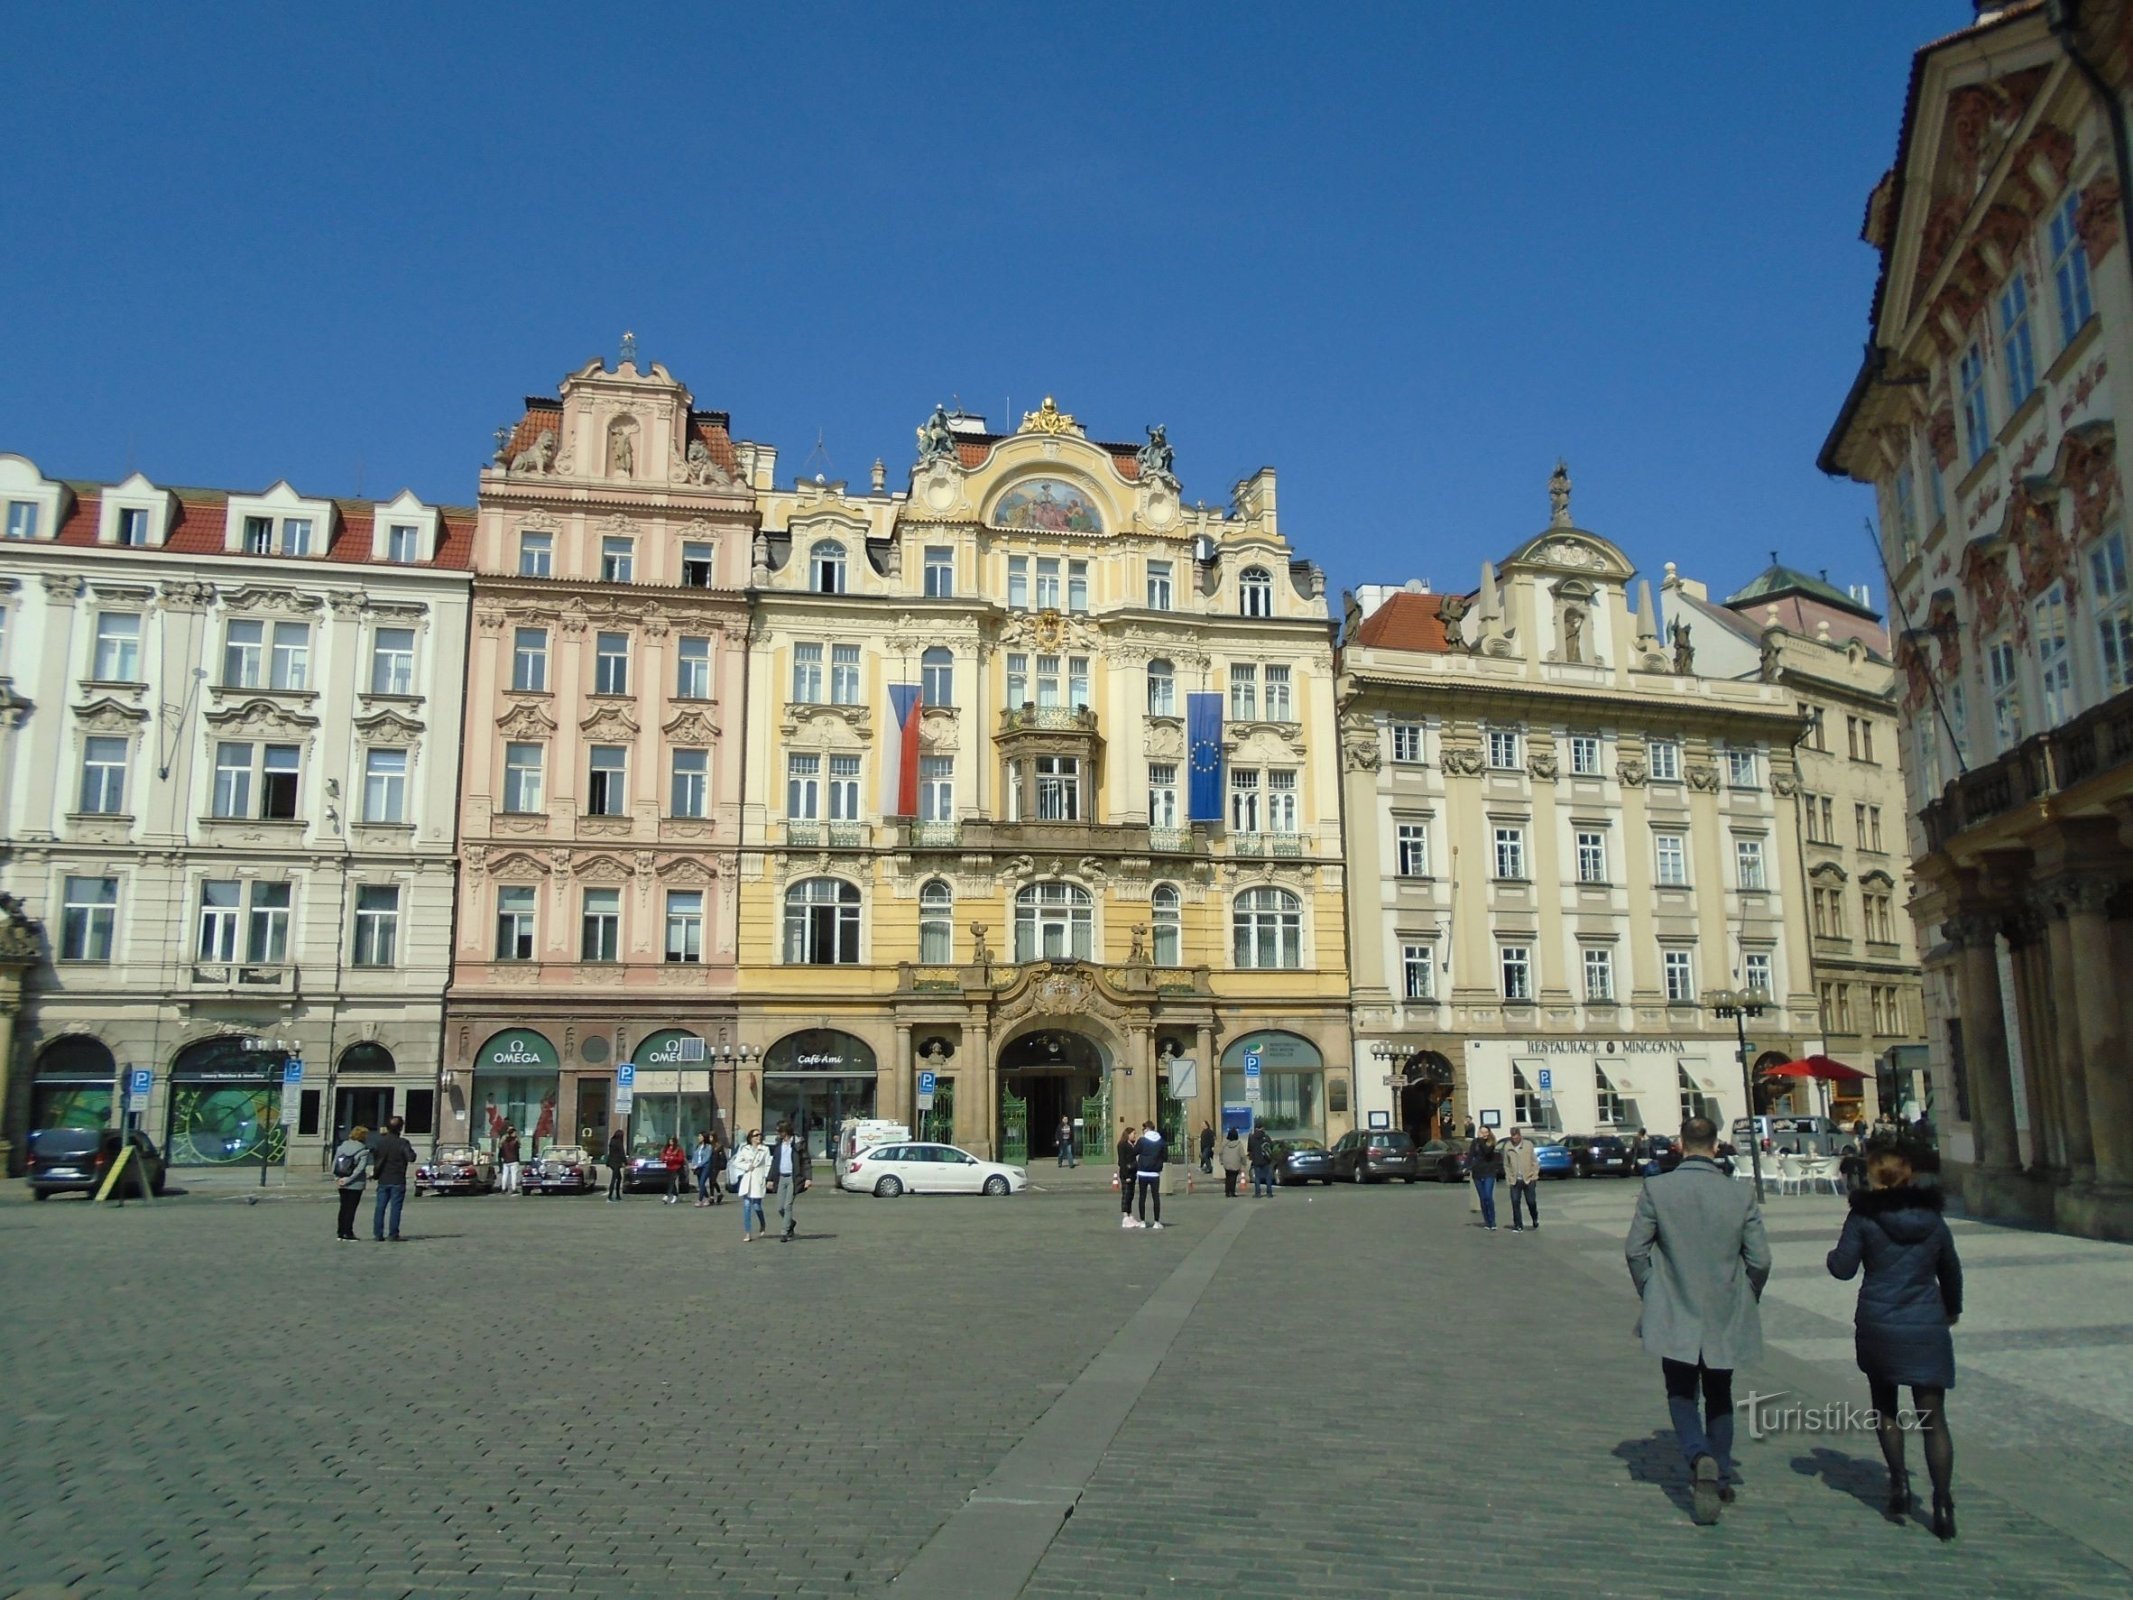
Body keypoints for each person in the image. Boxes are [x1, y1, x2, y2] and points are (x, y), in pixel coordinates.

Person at [1624, 1115, 1771, 1525]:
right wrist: (1745, 1295)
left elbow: (1635, 1250)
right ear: (1716, 1146)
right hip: (1723, 1306)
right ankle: (1721, 1471)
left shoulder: (1658, 1188)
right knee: (1721, 1392)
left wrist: (1653, 1291)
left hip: (1675, 1305)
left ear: (1680, 1144)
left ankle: (1697, 1452)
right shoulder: (1740, 1194)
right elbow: (1760, 1259)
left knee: (1681, 1391)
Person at [1826, 1135, 1963, 1541]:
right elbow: (1951, 1270)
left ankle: (1898, 1482)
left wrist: (1832, 1257)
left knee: (1885, 1407)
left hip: (1880, 1322)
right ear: (1908, 1177)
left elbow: (1843, 1269)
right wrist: (1951, 1309)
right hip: (1925, 1323)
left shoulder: (1863, 1219)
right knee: (1933, 1417)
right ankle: (1941, 1500)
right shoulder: (1933, 1220)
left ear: (1875, 1178)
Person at [369, 1116, 417, 1243]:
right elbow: (411, 1157)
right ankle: (393, 1234)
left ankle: (378, 1234)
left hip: (383, 1178)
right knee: (395, 1208)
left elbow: (375, 1155)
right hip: (397, 1178)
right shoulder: (402, 1142)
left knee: (380, 1207)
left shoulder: (380, 1142)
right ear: (400, 1128)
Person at [331, 1124, 372, 1242]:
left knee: (343, 1207)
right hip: (355, 1184)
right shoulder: (363, 1150)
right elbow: (360, 1169)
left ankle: (340, 1232)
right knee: (351, 1209)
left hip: (341, 1182)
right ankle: (348, 1232)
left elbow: (335, 1164)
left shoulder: (341, 1147)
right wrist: (349, 1180)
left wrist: (337, 1178)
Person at [772, 1121, 810, 1241]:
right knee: (780, 1207)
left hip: (794, 1178)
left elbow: (805, 1161)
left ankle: (784, 1232)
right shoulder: (779, 1144)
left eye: (779, 1131)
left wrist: (808, 1178)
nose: (777, 1133)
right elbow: (775, 1162)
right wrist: (770, 1179)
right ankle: (790, 1223)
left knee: (788, 1205)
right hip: (781, 1177)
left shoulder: (797, 1143)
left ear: (785, 1131)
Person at [731, 1129, 771, 1241]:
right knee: (747, 1206)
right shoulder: (745, 1149)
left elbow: (768, 1164)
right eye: (756, 1135)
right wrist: (746, 1166)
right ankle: (748, 1232)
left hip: (759, 1179)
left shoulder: (765, 1149)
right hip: (748, 1179)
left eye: (760, 1135)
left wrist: (767, 1178)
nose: (758, 1137)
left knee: (757, 1206)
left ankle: (762, 1223)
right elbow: (736, 1162)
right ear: (751, 1138)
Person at [1504, 1124, 1540, 1232]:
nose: (1514, 1138)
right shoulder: (1508, 1146)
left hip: (1528, 1178)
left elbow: (1534, 1161)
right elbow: (1506, 1164)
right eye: (1512, 1136)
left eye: (1516, 1136)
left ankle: (1535, 1218)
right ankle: (1518, 1225)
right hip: (1515, 1179)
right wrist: (1508, 1178)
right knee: (1515, 1202)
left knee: (1531, 1202)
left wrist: (1534, 1174)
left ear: (1520, 1136)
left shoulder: (1528, 1145)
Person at [1132, 1119, 1167, 1229]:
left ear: (1147, 1129)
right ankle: (1156, 1222)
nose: (1142, 1131)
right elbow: (1165, 1157)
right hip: (1155, 1173)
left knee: (1142, 1197)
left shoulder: (1142, 1140)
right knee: (1155, 1197)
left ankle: (1142, 1221)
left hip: (1142, 1171)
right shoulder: (1161, 1141)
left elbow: (1134, 1152)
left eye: (1143, 1129)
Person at [1467, 1128, 1504, 1231]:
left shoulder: (1490, 1142)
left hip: (1489, 1172)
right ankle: (1487, 1221)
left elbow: (1487, 1152)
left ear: (1489, 1133)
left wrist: (1481, 1140)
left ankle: (1492, 1221)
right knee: (1482, 1198)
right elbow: (1470, 1155)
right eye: (1482, 1132)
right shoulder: (1475, 1142)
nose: (1484, 1134)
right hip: (1477, 1172)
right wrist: (1466, 1166)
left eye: (1486, 1132)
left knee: (1488, 1196)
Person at [1116, 1119, 1139, 1228]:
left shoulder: (1132, 1144)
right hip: (1127, 1174)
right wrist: (1126, 1176)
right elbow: (1122, 1161)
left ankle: (1130, 1215)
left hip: (1133, 1173)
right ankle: (1125, 1216)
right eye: (1134, 1133)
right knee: (1126, 1194)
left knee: (1131, 1195)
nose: (1135, 1135)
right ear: (1128, 1134)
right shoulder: (1122, 1145)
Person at [1246, 1125, 1276, 1198]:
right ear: (1262, 1128)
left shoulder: (1252, 1137)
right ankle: (1269, 1193)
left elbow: (1249, 1149)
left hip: (1256, 1160)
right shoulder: (1266, 1137)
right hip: (1266, 1160)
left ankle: (1257, 1193)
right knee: (1268, 1177)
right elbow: (1271, 1146)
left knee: (1257, 1177)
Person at [690, 1132, 718, 1207]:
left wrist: (698, 1165)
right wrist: (693, 1164)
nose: (698, 1138)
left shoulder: (709, 1147)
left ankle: (700, 1200)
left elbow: (707, 1158)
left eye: (700, 1136)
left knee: (702, 1182)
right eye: (698, 1136)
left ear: (704, 1137)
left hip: (705, 1167)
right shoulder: (698, 1146)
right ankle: (708, 1198)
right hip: (698, 1167)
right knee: (700, 1184)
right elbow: (695, 1156)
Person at [1219, 1127, 1247, 1197]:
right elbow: (1242, 1155)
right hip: (1235, 1163)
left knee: (1228, 1177)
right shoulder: (1239, 1144)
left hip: (1226, 1163)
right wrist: (1244, 1162)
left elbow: (1220, 1152)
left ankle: (1227, 1192)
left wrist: (1221, 1160)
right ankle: (1232, 1192)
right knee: (1233, 1178)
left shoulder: (1224, 1144)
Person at [659, 1137, 686, 1205]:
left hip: (676, 1168)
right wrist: (664, 1158)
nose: (671, 1142)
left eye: (672, 1141)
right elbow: (662, 1157)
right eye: (669, 1140)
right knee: (670, 1182)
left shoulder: (678, 1149)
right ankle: (675, 1195)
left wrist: (673, 1158)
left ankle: (667, 1196)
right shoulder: (666, 1148)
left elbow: (681, 1159)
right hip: (669, 1167)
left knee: (672, 1181)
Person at [497, 1126, 521, 1196]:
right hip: (514, 1160)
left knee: (505, 1175)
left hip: (506, 1160)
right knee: (513, 1175)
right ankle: (514, 1189)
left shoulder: (503, 1141)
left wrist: (502, 1157)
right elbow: (517, 1150)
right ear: (513, 1133)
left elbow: (501, 1151)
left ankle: (503, 1188)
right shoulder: (515, 1141)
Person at [605, 1128, 628, 1202]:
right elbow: (622, 1153)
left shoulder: (612, 1141)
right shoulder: (619, 1142)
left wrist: (607, 1162)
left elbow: (610, 1153)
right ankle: (610, 1197)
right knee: (614, 1179)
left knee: (618, 1178)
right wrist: (625, 1162)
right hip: (616, 1163)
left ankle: (617, 1196)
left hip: (611, 1162)